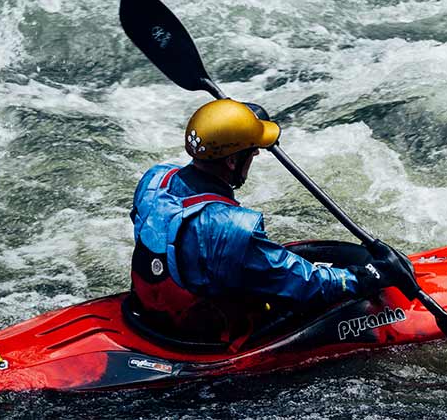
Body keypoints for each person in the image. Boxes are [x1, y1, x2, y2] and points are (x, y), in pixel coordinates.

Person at [128, 99, 407, 344]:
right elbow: (308, 284)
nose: (256, 154)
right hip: (203, 331)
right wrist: (367, 276)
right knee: (325, 296)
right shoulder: (229, 227)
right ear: (231, 162)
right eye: (251, 151)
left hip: (151, 310)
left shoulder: (156, 179)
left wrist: (244, 121)